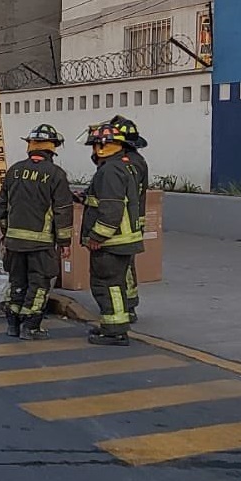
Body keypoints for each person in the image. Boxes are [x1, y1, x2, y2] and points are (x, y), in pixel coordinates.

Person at [0, 124, 74, 341]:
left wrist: (5, 230)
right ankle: (31, 327)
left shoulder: (14, 171)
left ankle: (12, 324)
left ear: (30, 147)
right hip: (41, 244)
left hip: (14, 242)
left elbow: (2, 204)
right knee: (38, 284)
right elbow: (62, 211)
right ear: (52, 150)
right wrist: (64, 242)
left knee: (17, 282)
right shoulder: (56, 175)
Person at [81, 122, 145, 346]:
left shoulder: (109, 171)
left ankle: (114, 331)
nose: (93, 151)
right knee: (116, 284)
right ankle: (116, 327)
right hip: (124, 240)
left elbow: (111, 210)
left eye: (94, 146)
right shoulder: (123, 166)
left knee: (106, 285)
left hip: (111, 241)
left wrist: (97, 237)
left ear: (102, 146)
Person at [107, 115, 148, 323]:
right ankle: (128, 304)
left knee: (122, 268)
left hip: (123, 223)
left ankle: (127, 306)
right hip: (131, 221)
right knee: (126, 266)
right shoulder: (136, 161)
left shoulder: (124, 164)